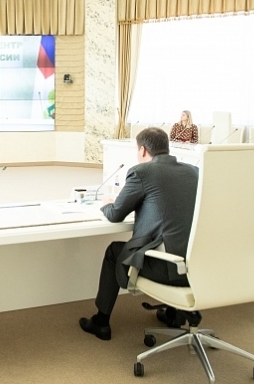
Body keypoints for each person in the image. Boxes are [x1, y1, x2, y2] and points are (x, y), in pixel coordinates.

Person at [79, 127, 199, 341]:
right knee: (174, 239)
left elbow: (115, 215)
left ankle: (101, 322)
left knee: (114, 251)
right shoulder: (193, 172)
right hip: (197, 266)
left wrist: (106, 203)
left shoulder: (142, 172)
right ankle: (175, 314)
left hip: (167, 268)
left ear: (142, 150)